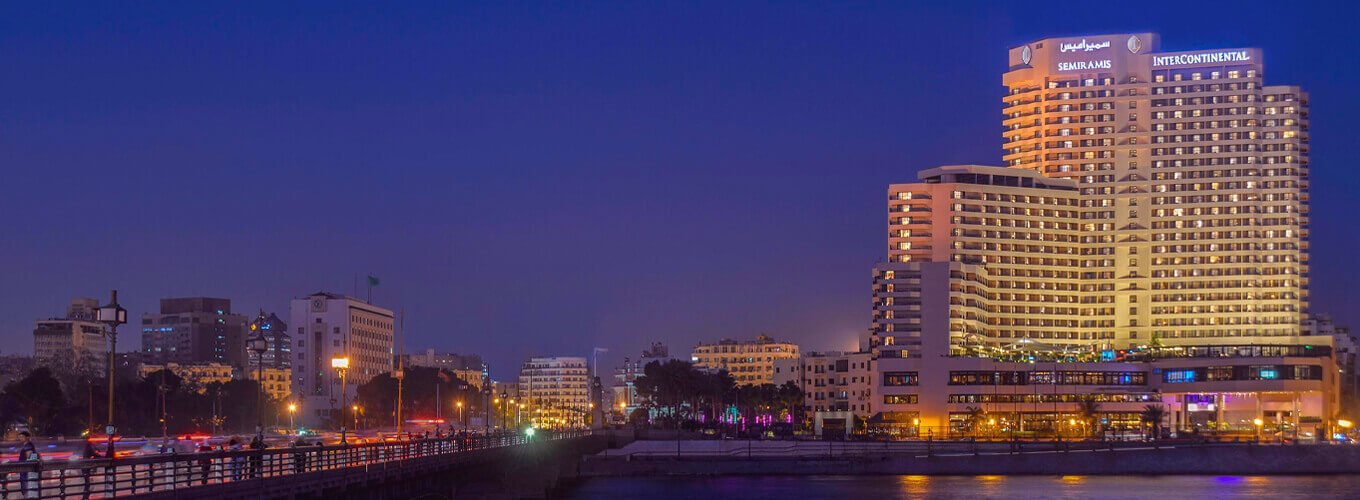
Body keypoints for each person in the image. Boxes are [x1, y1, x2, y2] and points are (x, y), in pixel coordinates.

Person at [18, 432, 40, 498]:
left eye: (22, 436)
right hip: (29, 473)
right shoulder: (30, 445)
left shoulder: (28, 446)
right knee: (31, 492)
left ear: (27, 437)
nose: (20, 438)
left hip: (26, 473)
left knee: (28, 492)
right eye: (19, 437)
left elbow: (30, 459)